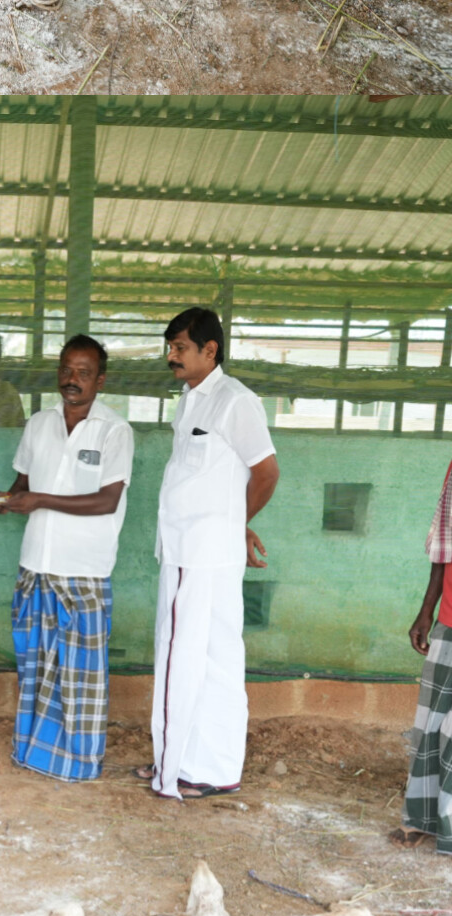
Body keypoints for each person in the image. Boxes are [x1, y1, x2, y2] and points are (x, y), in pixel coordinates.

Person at [147, 307, 277, 802]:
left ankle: (172, 770)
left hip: (200, 554)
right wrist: (234, 526)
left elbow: (265, 472)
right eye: (170, 347)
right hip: (192, 549)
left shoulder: (234, 401)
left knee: (189, 657)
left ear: (210, 350)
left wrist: (233, 525)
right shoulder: (190, 400)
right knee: (213, 659)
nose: (171, 356)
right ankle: (206, 766)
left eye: (180, 347)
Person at [0, 338, 134, 783]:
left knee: (81, 677)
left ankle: (76, 763)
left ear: (101, 379)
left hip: (85, 570)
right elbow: (21, 484)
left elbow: (108, 501)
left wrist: (39, 500)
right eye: (68, 370)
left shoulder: (115, 431)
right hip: (36, 564)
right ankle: (33, 753)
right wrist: (0, 500)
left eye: (84, 372)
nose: (73, 380)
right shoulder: (39, 423)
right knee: (34, 666)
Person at [395, 456, 452, 852]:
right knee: (431, 724)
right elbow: (444, 546)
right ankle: (426, 820)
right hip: (451, 616)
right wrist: (427, 607)